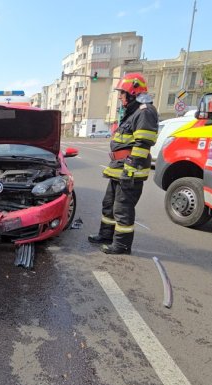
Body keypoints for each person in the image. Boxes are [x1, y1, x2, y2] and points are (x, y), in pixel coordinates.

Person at [87, 73, 158, 255]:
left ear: (132, 92)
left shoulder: (145, 112)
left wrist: (130, 170)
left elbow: (143, 144)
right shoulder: (132, 112)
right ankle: (106, 235)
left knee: (122, 209)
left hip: (129, 170)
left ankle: (121, 246)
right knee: (109, 204)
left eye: (122, 93)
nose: (120, 97)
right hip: (118, 168)